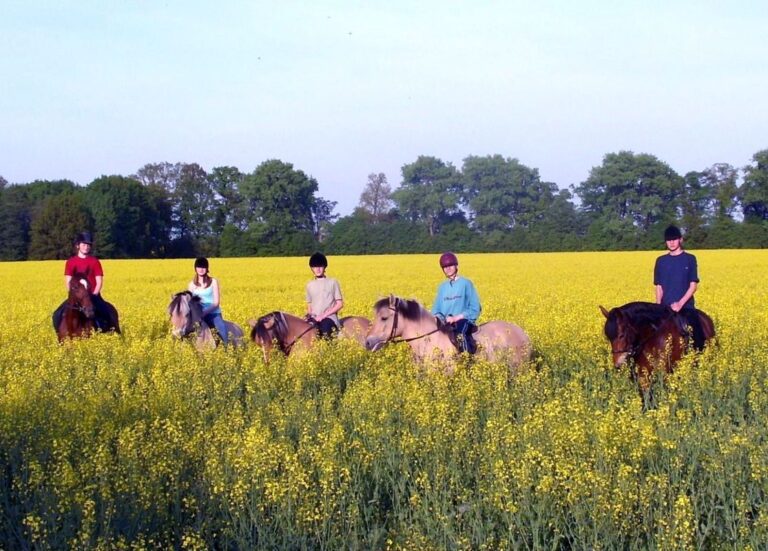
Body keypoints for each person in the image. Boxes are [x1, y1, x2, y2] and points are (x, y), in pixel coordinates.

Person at [654, 224, 706, 351]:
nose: (671, 242)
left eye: (674, 239)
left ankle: (699, 357)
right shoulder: (661, 261)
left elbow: (693, 286)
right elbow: (659, 286)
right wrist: (658, 307)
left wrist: (680, 304)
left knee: (697, 333)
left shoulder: (690, 259)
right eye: (668, 240)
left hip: (686, 307)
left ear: (680, 240)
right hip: (665, 307)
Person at [53, 231, 113, 331]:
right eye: (84, 244)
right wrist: (74, 295)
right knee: (57, 314)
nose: (86, 247)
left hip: (92, 295)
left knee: (106, 313)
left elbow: (99, 281)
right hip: (76, 296)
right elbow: (68, 281)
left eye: (88, 245)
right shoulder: (71, 262)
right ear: (78, 246)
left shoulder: (94, 262)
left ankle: (109, 332)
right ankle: (59, 333)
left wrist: (94, 295)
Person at [431, 252, 481, 354]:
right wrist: (437, 317)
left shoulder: (466, 283)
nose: (447, 269)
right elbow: (436, 309)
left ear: (456, 266)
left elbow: (475, 307)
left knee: (460, 335)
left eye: (450, 265)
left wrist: (455, 318)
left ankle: (468, 362)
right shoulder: (442, 287)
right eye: (444, 267)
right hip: (445, 323)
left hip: (463, 321)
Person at [188, 257, 229, 346]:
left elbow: (216, 302)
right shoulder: (191, 285)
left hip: (213, 314)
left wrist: (204, 312)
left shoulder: (213, 281)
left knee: (222, 329)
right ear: (195, 268)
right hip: (198, 316)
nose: (201, 269)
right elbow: (190, 304)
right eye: (199, 267)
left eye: (203, 267)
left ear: (207, 269)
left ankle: (227, 349)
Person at [305, 252, 344, 338]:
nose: (318, 269)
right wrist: (309, 316)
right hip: (315, 318)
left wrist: (323, 315)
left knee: (325, 330)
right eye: (315, 267)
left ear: (324, 267)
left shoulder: (333, 282)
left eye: (320, 266)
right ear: (312, 268)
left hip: (329, 318)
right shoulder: (309, 285)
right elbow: (309, 305)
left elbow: (340, 304)